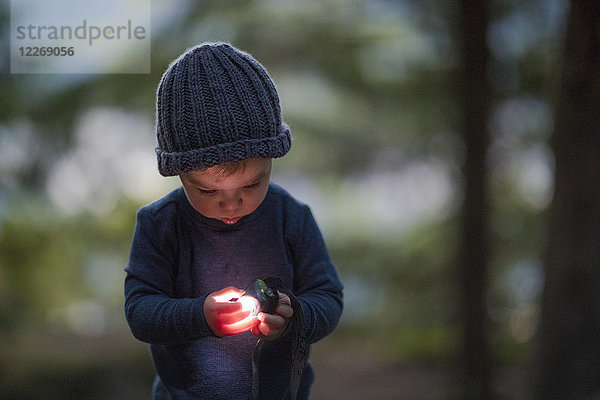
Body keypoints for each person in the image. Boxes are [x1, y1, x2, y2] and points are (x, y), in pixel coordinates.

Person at [124, 42, 344, 400]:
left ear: (272, 159)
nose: (231, 202)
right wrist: (200, 315)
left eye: (252, 184)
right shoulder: (160, 225)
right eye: (208, 191)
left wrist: (294, 317)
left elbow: (328, 296)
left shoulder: (291, 217)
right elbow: (140, 311)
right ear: (178, 174)